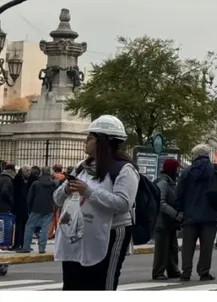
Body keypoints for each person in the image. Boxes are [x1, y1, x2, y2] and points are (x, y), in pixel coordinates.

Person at [53, 115, 139, 290]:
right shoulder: (82, 167)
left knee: (101, 284)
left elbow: (123, 204)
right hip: (79, 234)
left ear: (103, 141)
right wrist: (67, 189)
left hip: (111, 233)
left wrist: (88, 191)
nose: (86, 141)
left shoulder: (124, 170)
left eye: (90, 137)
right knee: (72, 284)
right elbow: (56, 198)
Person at [175, 144, 217, 281]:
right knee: (206, 247)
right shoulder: (216, 169)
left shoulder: (187, 171)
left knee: (187, 246)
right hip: (211, 213)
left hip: (190, 214)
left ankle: (186, 271)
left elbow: (179, 193)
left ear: (194, 155)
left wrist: (180, 210)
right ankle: (204, 271)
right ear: (208, 154)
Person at [152, 158, 182, 280]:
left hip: (169, 222)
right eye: (177, 168)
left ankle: (172, 270)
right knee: (162, 248)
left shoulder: (170, 182)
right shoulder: (163, 183)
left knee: (172, 248)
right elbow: (161, 203)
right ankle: (158, 272)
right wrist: (175, 214)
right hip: (162, 221)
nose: (178, 170)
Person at [22, 167, 56, 254]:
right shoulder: (53, 184)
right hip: (49, 208)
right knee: (45, 228)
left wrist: (29, 208)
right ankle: (42, 248)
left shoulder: (36, 183)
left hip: (36, 207)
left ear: (41, 173)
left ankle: (26, 246)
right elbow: (56, 197)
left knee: (30, 226)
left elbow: (29, 198)